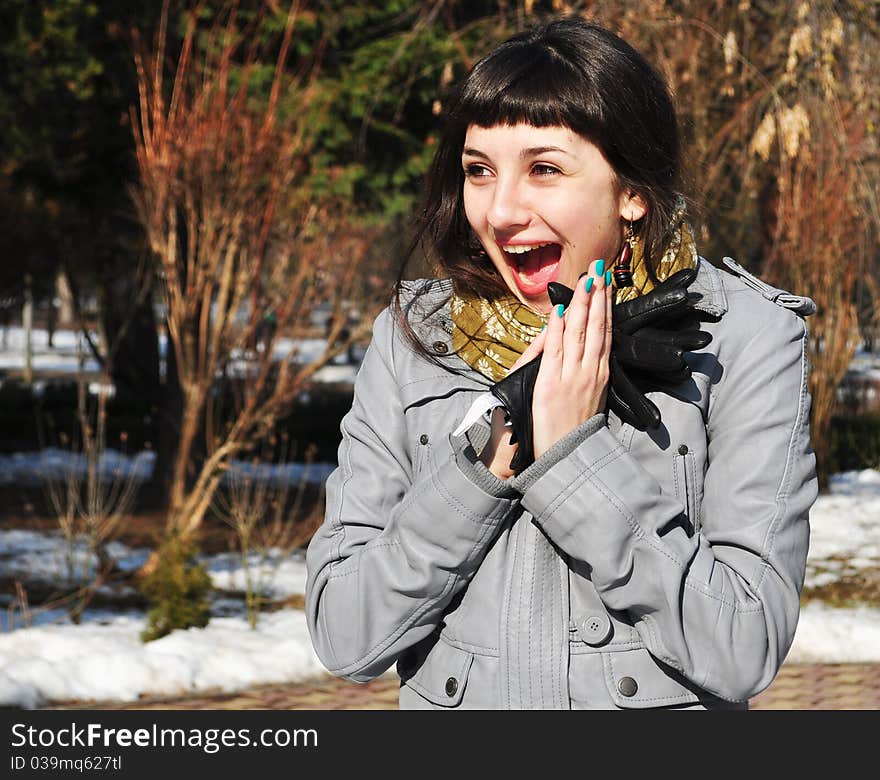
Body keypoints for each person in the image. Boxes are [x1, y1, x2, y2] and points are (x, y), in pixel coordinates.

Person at [305, 17, 818, 710]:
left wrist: (575, 457)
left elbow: (744, 645)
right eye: (479, 171)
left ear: (631, 191)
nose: (501, 210)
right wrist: (488, 466)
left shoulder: (743, 337)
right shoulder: (413, 340)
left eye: (544, 169)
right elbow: (346, 636)